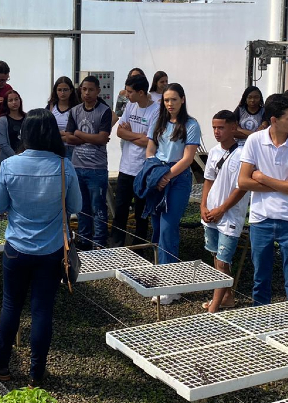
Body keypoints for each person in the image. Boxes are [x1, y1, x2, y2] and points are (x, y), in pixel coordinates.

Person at [0, 109, 82, 384]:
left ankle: (2, 365)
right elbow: (75, 206)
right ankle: (36, 373)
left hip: (16, 247)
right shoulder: (64, 166)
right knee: (42, 311)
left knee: (10, 305)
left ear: (24, 133)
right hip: (51, 250)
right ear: (53, 133)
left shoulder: (10, 165)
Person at [238, 94, 288, 306]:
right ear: (274, 120)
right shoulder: (254, 140)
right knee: (260, 281)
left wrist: (262, 178)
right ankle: (260, 326)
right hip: (261, 218)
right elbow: (243, 182)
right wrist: (286, 183)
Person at [138, 84, 201, 302]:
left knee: (168, 228)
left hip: (177, 179)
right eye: (166, 100)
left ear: (182, 100)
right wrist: (154, 171)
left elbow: (187, 158)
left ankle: (170, 284)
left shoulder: (191, 125)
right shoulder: (159, 122)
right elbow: (150, 150)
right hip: (158, 175)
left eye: (174, 99)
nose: (170, 104)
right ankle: (163, 280)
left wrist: (167, 176)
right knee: (157, 228)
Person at [200, 110, 248, 312]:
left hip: (230, 215)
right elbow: (208, 180)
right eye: (214, 128)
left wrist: (221, 209)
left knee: (223, 260)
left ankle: (214, 307)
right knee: (216, 257)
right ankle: (227, 296)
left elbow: (241, 188)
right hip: (211, 214)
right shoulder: (213, 152)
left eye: (221, 127)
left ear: (233, 127)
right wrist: (203, 206)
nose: (217, 132)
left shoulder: (243, 154)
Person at [109, 74, 159, 248]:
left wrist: (131, 135)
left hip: (144, 169)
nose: (127, 95)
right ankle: (117, 246)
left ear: (141, 92)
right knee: (120, 211)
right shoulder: (130, 106)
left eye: (130, 92)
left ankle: (139, 249)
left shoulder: (157, 110)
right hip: (126, 167)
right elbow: (119, 132)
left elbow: (150, 141)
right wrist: (138, 136)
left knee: (141, 213)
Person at [62, 76, 112, 249]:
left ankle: (99, 242)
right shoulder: (75, 111)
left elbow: (102, 138)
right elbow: (68, 138)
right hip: (78, 166)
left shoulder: (104, 111)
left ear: (98, 91)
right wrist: (89, 138)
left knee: (98, 207)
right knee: (81, 207)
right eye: (84, 89)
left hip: (96, 168)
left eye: (91, 89)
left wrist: (79, 134)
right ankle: (84, 240)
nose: (87, 93)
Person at [46, 76, 78, 158]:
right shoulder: (50, 107)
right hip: (54, 148)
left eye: (65, 90)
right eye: (59, 90)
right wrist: (66, 134)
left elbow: (77, 132)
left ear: (71, 91)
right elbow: (47, 130)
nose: (62, 93)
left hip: (72, 149)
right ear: (55, 91)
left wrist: (57, 135)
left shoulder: (77, 109)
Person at [0, 90, 25, 170]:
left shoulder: (27, 118)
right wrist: (16, 157)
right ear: (6, 103)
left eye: (16, 99)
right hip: (8, 160)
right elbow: (3, 144)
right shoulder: (2, 120)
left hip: (25, 160)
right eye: (10, 100)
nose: (14, 102)